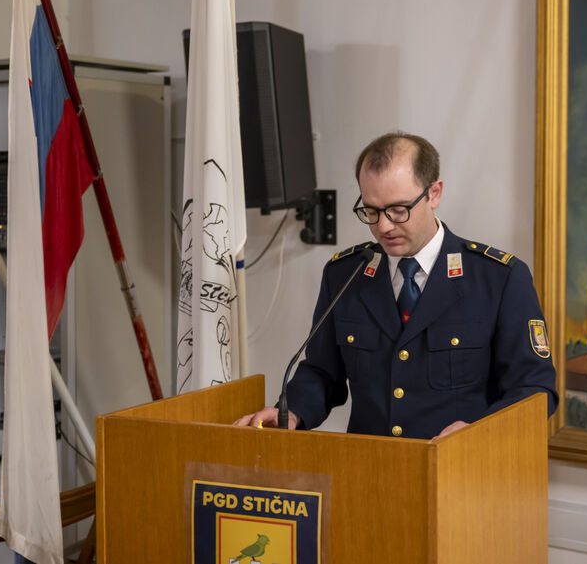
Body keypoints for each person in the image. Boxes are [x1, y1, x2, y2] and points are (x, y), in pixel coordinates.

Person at [235, 132, 558, 438]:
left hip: (461, 468)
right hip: (372, 467)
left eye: (398, 210)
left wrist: (480, 432)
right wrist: (291, 413)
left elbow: (535, 389)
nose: (384, 226)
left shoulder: (498, 278)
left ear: (434, 194)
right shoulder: (346, 274)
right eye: (371, 211)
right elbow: (322, 373)